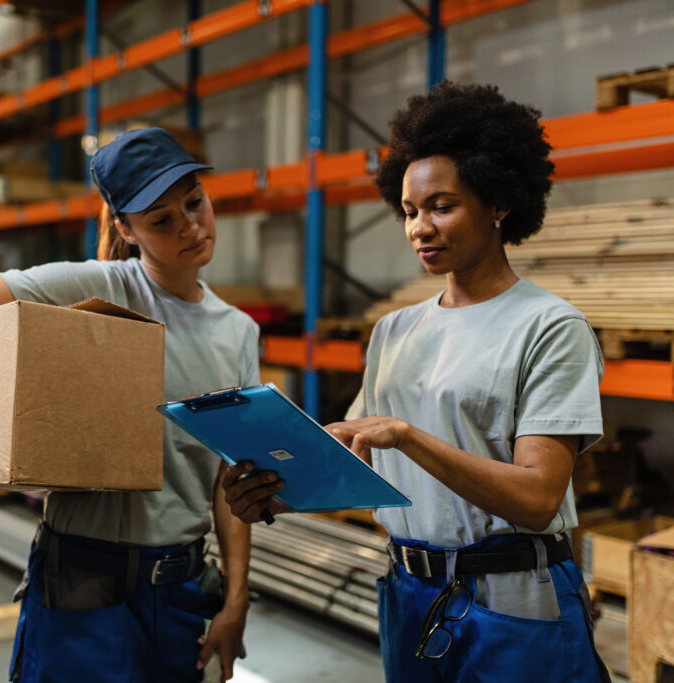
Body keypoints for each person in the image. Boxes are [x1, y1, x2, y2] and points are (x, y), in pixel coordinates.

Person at [220, 82, 611, 682]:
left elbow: (538, 498)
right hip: (409, 592)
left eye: (442, 206)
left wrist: (406, 435)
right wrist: (275, 494)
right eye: (408, 212)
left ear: (498, 202)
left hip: (511, 599)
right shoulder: (394, 330)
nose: (420, 228)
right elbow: (358, 462)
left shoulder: (550, 326)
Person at [0, 127, 258, 682]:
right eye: (161, 220)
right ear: (127, 229)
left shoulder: (238, 332)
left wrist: (236, 600)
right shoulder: (99, 289)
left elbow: (227, 480)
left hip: (183, 590)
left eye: (195, 203)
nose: (189, 226)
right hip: (84, 584)